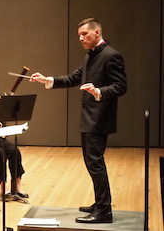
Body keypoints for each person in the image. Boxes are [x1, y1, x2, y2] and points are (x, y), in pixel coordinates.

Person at [31, 18, 126, 224]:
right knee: (92, 163)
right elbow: (74, 78)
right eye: (79, 36)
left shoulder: (112, 56)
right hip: (89, 117)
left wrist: (98, 91)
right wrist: (48, 80)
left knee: (95, 163)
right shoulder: (90, 56)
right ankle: (100, 203)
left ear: (97, 32)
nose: (81, 38)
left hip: (99, 118)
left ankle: (104, 211)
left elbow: (121, 86)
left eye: (84, 34)